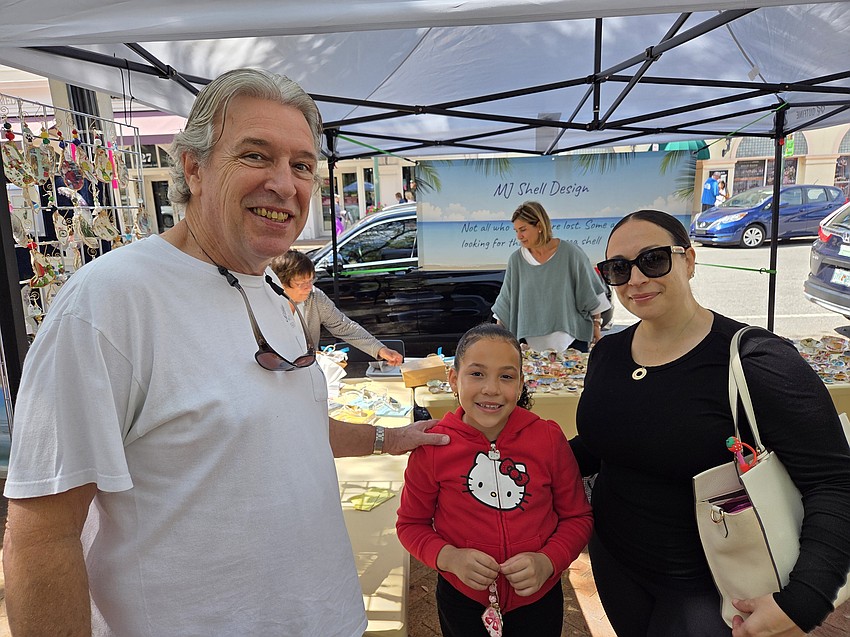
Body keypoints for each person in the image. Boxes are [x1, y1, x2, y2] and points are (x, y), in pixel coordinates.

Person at [2, 68, 448, 637]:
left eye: (302, 165)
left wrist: (391, 439)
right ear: (194, 168)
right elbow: (41, 534)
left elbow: (287, 428)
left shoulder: (267, 289)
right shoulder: (108, 303)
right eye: (256, 156)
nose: (285, 184)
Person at [571, 209, 850, 636]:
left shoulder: (756, 359)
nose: (636, 279)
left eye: (654, 259)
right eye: (618, 268)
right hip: (616, 563)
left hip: (713, 588)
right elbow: (600, 445)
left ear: (689, 260)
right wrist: (493, 450)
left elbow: (834, 482)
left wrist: (805, 600)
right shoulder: (608, 355)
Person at [396, 323, 593, 637]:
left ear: (520, 384)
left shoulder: (548, 438)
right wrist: (448, 557)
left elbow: (577, 517)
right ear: (453, 380)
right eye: (476, 374)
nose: (491, 388)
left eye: (506, 376)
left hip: (538, 598)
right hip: (463, 599)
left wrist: (547, 561)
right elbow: (410, 524)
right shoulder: (433, 448)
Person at [492, 201, 610, 353]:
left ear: (540, 226)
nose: (519, 236)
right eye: (516, 231)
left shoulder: (570, 253)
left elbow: (590, 291)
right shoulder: (516, 260)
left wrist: (596, 326)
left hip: (572, 342)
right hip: (530, 348)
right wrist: (496, 335)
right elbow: (507, 300)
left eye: (523, 230)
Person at [271, 249, 403, 365]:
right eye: (301, 283)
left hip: (306, 370)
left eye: (311, 280)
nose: (309, 287)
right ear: (280, 283)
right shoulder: (265, 303)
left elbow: (344, 326)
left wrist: (380, 349)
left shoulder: (315, 297)